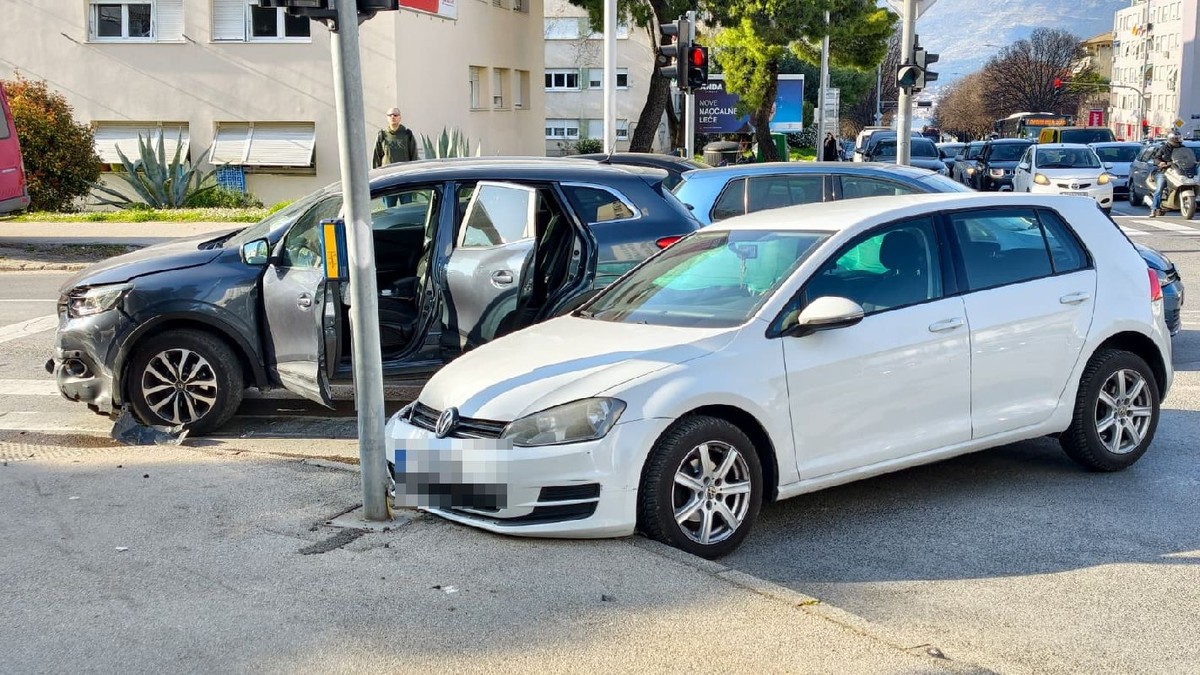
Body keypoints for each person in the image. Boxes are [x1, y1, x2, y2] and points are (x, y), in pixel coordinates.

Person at [1150, 131, 1185, 217]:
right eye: (1176, 139)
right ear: (1170, 139)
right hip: (1164, 171)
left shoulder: (1183, 148)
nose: (1178, 140)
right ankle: (1154, 209)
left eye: (1179, 138)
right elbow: (1156, 158)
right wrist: (1160, 163)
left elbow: (1188, 156)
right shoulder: (1163, 148)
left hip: (1179, 172)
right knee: (1160, 188)